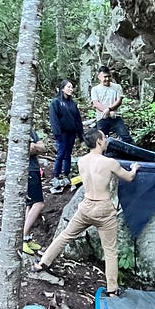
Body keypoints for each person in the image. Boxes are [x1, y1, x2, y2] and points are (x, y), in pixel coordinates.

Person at [33, 127, 139, 295]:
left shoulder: (82, 161)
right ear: (99, 141)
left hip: (86, 206)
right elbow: (129, 177)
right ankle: (112, 289)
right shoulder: (109, 163)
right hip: (104, 209)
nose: (106, 141)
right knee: (110, 250)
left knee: (66, 235)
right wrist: (134, 167)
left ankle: (42, 263)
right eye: (104, 138)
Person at [49, 80, 84, 190]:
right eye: (68, 87)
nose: (71, 89)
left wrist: (80, 134)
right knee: (61, 153)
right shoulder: (56, 102)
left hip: (72, 132)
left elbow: (78, 119)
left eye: (72, 87)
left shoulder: (72, 104)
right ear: (62, 88)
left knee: (68, 154)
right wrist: (57, 133)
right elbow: (54, 119)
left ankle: (66, 174)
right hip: (62, 133)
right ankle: (56, 175)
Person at [90, 65, 132, 142]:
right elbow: (96, 104)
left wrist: (109, 109)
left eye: (109, 76)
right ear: (99, 77)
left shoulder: (117, 87)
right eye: (105, 77)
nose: (107, 79)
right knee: (100, 140)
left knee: (126, 138)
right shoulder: (95, 89)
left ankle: (133, 153)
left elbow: (119, 101)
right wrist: (107, 112)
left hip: (116, 117)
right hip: (102, 118)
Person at [23, 130, 47, 255]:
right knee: (39, 204)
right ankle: (22, 237)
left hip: (34, 169)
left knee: (30, 204)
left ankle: (26, 238)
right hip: (28, 170)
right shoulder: (20, 130)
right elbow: (27, 149)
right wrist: (34, 148)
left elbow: (42, 148)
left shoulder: (31, 131)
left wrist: (35, 147)